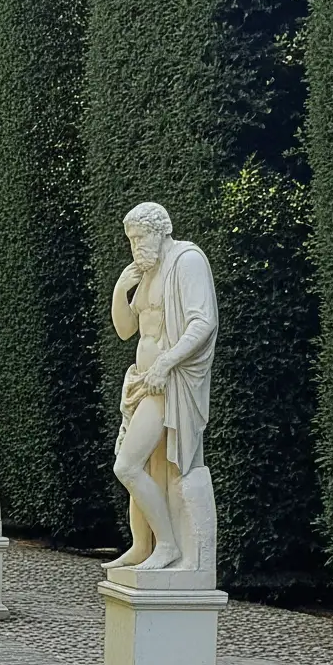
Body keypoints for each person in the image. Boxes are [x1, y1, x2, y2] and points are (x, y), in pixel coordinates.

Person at [109, 202, 217, 579]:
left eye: (140, 236)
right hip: (144, 383)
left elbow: (203, 322)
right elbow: (126, 330)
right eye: (130, 239)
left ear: (160, 231)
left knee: (127, 465)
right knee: (144, 468)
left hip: (168, 385)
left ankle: (168, 545)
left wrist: (166, 363)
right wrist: (120, 290)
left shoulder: (187, 261)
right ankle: (143, 546)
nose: (135, 245)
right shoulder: (148, 270)